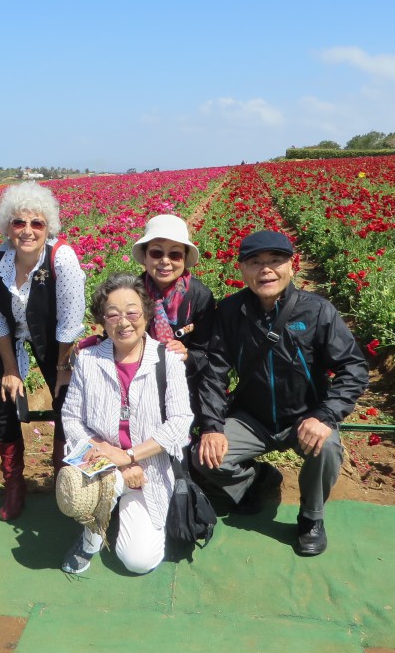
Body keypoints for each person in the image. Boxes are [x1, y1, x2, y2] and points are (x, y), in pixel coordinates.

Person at [194, 230, 369, 556]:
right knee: (204, 457)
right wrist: (212, 427)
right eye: (255, 262)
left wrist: (325, 415)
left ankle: (311, 518)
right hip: (252, 418)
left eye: (275, 261)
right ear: (242, 269)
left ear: (292, 265)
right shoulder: (231, 312)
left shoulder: (317, 311)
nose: (266, 270)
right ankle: (256, 480)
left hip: (304, 416)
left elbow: (353, 368)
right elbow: (214, 373)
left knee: (328, 447)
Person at [58, 273, 193, 574]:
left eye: (132, 312)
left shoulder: (167, 360)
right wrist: (113, 459)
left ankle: (123, 508)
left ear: (146, 314)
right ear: (102, 320)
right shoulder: (88, 360)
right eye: (113, 314)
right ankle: (92, 534)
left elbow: (180, 423)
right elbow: (71, 418)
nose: (123, 323)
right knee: (84, 489)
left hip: (150, 468)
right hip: (101, 462)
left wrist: (131, 457)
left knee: (138, 561)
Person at [0, 182, 86, 521]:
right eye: (19, 222)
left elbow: (70, 320)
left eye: (37, 223)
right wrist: (10, 370)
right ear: (7, 227)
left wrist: (62, 369)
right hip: (8, 335)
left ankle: (63, 474)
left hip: (54, 336)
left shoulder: (62, 258)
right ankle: (14, 483)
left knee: (66, 401)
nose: (27, 230)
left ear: (48, 227)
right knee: (5, 402)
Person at [130, 214, 215, 406]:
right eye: (156, 253)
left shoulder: (200, 296)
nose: (165, 261)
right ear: (145, 256)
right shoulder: (131, 293)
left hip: (185, 386)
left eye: (175, 254)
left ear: (184, 258)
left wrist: (188, 355)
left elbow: (207, 352)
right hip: (138, 381)